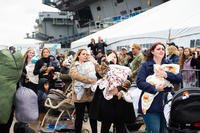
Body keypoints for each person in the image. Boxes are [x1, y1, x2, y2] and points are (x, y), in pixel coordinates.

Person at [136, 42, 182, 133]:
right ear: (152, 51)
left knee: (164, 131)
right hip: (150, 104)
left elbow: (179, 78)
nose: (161, 51)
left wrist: (165, 74)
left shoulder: (169, 65)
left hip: (166, 104)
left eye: (163, 49)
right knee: (154, 130)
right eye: (158, 49)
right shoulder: (146, 65)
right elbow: (140, 82)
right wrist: (155, 88)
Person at [89, 51, 136, 133]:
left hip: (119, 98)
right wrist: (106, 61)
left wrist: (119, 89)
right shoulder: (103, 68)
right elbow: (100, 74)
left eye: (115, 57)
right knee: (106, 124)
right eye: (111, 57)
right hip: (106, 100)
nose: (113, 59)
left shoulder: (123, 69)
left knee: (120, 123)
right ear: (106, 57)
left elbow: (129, 80)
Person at [69, 49, 97, 133]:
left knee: (93, 117)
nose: (85, 55)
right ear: (78, 55)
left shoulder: (91, 64)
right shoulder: (74, 65)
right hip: (79, 96)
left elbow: (101, 72)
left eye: (86, 54)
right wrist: (89, 80)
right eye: (83, 54)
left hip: (90, 94)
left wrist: (95, 62)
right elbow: (75, 76)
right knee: (79, 117)